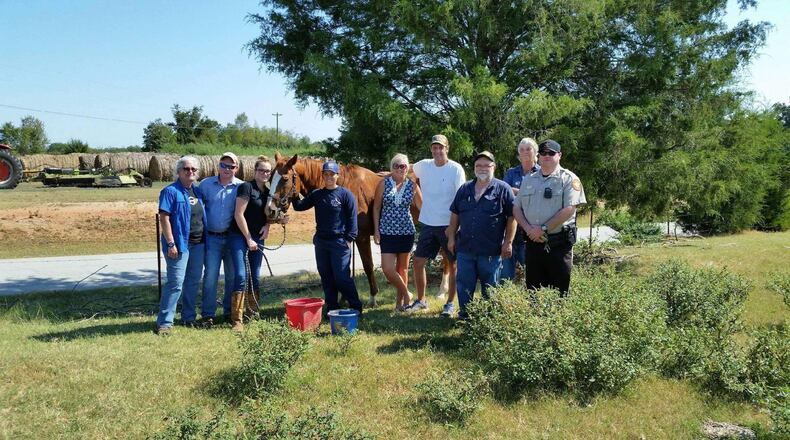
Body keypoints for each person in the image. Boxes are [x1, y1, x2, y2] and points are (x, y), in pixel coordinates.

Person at [447, 151, 516, 319]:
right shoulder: (465, 189)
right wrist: (450, 238)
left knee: (490, 288)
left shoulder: (503, 189)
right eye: (479, 165)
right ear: (474, 168)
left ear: (494, 167)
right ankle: (465, 317)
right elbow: (455, 214)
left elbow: (512, 217)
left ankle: (488, 322)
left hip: (491, 251)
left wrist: (508, 242)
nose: (483, 168)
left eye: (487, 165)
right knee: (464, 285)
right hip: (465, 249)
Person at [513, 139, 586, 296]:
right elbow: (516, 207)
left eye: (551, 153)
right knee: (533, 291)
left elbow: (569, 208)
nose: (546, 156)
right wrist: (529, 229)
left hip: (558, 244)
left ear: (559, 155)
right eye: (543, 153)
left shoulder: (569, 179)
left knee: (559, 293)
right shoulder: (529, 179)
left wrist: (543, 229)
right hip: (533, 244)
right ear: (538, 156)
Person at [292, 160, 363, 315]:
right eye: (326, 174)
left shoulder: (345, 195)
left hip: (340, 242)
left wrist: (349, 239)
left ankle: (356, 307)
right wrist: (293, 191)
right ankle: (332, 308)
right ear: (322, 176)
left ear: (337, 175)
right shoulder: (317, 194)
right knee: (326, 277)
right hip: (321, 242)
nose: (329, 177)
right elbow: (299, 206)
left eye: (332, 174)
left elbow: (352, 219)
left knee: (342, 277)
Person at [227, 156, 288, 331]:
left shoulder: (268, 191)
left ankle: (252, 312)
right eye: (261, 170)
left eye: (268, 171)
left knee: (255, 275)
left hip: (257, 237)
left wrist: (270, 225)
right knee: (240, 275)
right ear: (255, 171)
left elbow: (270, 212)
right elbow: (239, 214)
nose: (264, 173)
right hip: (239, 236)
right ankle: (237, 319)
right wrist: (248, 238)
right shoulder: (246, 187)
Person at [410, 134, 465, 316]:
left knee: (453, 264)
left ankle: (450, 304)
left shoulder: (455, 169)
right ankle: (421, 300)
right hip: (428, 223)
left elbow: (460, 199)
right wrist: (414, 189)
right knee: (418, 262)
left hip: (448, 225)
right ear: (431, 149)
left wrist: (454, 226)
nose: (437, 151)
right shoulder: (423, 165)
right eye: (434, 147)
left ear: (446, 149)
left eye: (440, 147)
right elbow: (407, 171)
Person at [156, 156, 207, 335]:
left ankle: (188, 317)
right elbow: (164, 217)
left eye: (194, 169)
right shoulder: (170, 191)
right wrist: (171, 243)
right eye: (186, 169)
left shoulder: (198, 192)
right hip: (179, 245)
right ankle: (165, 322)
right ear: (178, 171)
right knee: (175, 282)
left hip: (199, 243)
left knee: (193, 282)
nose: (190, 172)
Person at [372, 153, 423, 312]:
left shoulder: (413, 185)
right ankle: (407, 293)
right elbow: (376, 208)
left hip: (406, 231)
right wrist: (376, 230)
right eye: (397, 166)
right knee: (387, 269)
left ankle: (400, 304)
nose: (400, 169)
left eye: (403, 166)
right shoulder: (383, 184)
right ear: (391, 168)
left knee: (403, 269)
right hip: (387, 231)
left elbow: (423, 207)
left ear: (408, 168)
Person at [200, 152, 243, 328]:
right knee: (210, 276)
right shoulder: (206, 185)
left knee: (232, 278)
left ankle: (228, 312)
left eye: (231, 166)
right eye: (224, 165)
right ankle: (208, 314)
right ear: (218, 166)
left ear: (237, 169)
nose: (227, 169)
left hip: (233, 239)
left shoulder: (241, 187)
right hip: (212, 238)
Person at [501, 138, 540, 281]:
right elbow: (504, 193)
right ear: (518, 154)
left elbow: (540, 197)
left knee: (533, 273)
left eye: (528, 149)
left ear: (535, 152)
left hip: (532, 231)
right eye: (522, 150)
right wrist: (527, 192)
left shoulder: (542, 173)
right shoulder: (511, 173)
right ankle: (505, 301)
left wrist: (517, 191)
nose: (525, 152)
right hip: (511, 230)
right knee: (505, 275)